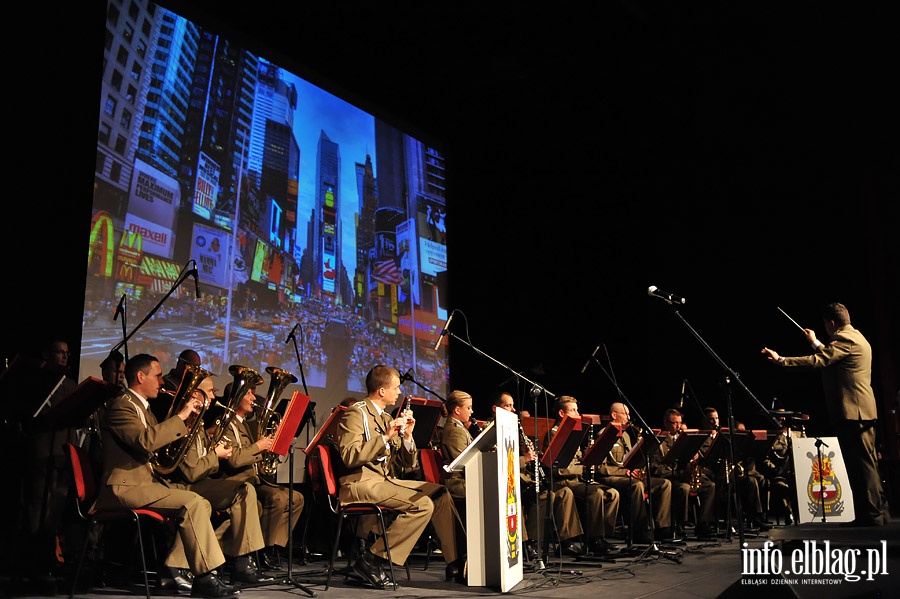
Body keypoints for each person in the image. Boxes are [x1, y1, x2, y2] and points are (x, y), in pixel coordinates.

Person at [94, 353, 238, 598]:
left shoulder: (142, 407)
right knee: (192, 502)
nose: (162, 382)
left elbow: (156, 444)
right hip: (124, 487)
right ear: (140, 376)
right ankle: (205, 577)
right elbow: (145, 441)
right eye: (158, 376)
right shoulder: (122, 405)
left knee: (199, 503)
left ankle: (181, 569)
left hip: (145, 484)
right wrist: (180, 417)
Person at [335, 365, 466, 588]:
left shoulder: (385, 417)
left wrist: (407, 437)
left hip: (385, 481)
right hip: (360, 482)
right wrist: (385, 437)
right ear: (382, 391)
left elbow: (407, 463)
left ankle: (457, 561)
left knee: (439, 493)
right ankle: (372, 561)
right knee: (422, 505)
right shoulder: (355, 414)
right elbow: (349, 456)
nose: (399, 392)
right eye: (396, 388)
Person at [761, 301, 890, 526]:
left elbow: (819, 361)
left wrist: (782, 360)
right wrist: (815, 342)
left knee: (862, 467)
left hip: (854, 413)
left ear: (831, 323)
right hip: (862, 411)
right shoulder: (857, 337)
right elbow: (832, 356)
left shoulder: (846, 340)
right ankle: (875, 512)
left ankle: (871, 516)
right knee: (866, 464)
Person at [160, 374, 266, 587]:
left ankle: (241, 562)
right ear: (196, 395)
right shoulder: (185, 423)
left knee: (244, 491)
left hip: (199, 482)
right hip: (185, 485)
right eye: (210, 392)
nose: (214, 397)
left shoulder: (199, 422)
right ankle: (180, 566)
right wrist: (215, 455)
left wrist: (215, 453)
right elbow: (191, 472)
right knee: (206, 503)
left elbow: (202, 466)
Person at [217, 378, 305, 571]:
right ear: (236, 397)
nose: (253, 397)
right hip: (234, 481)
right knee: (278, 499)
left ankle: (270, 547)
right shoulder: (225, 423)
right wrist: (259, 446)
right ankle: (258, 551)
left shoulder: (245, 424)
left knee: (296, 498)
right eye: (249, 393)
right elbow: (233, 460)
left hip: (253, 480)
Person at [491, 392, 590, 558]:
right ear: (496, 409)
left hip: (522, 477)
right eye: (508, 406)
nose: (513, 409)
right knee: (544, 494)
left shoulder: (511, 429)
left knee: (550, 494)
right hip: (506, 479)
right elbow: (497, 458)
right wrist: (524, 458)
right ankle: (528, 542)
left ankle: (563, 541)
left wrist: (525, 452)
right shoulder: (491, 430)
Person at [543, 395, 620, 555]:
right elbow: (559, 469)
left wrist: (588, 457)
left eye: (577, 410)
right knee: (596, 493)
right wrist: (581, 467)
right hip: (561, 481)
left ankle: (600, 535)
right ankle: (593, 539)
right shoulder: (554, 434)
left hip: (576, 480)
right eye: (573, 410)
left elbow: (577, 462)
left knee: (612, 493)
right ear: (562, 414)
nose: (578, 414)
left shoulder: (574, 433)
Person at [596, 401, 673, 545]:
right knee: (636, 485)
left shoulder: (625, 436)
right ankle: (640, 530)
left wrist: (636, 466)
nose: (628, 418)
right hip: (610, 478)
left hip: (627, 475)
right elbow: (600, 468)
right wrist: (623, 472)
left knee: (664, 484)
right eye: (625, 414)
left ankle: (663, 528)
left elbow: (629, 458)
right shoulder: (603, 434)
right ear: (614, 415)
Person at [651, 408, 716, 541]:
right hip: (672, 477)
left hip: (685, 475)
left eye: (680, 423)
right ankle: (680, 524)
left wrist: (696, 457)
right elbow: (656, 468)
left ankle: (704, 524)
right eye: (675, 423)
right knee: (684, 488)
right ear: (666, 423)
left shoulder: (686, 439)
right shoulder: (660, 441)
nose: (679, 426)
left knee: (710, 486)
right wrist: (678, 473)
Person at [701, 408, 769, 532]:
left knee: (751, 481)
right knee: (721, 484)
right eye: (711, 419)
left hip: (728, 472)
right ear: (704, 421)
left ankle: (755, 517)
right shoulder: (701, 438)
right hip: (712, 474)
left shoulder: (724, 436)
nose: (715, 421)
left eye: (716, 418)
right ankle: (715, 522)